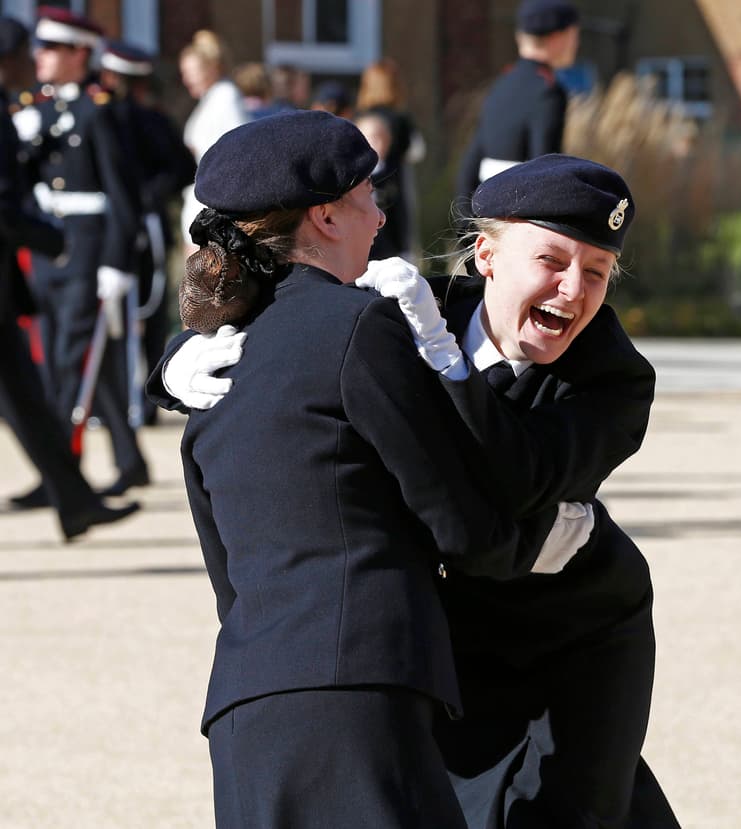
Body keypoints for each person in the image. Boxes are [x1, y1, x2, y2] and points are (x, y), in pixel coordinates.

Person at [157, 153, 679, 827]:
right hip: (443, 648)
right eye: (552, 260)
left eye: (597, 272)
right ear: (487, 254)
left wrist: (443, 358)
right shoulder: (398, 306)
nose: (573, 290)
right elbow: (294, 330)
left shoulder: (612, 377)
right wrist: (176, 360)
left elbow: (516, 475)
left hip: (571, 641)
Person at [0, 15, 138, 539]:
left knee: (63, 364)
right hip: (43, 252)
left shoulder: (97, 112)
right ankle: (67, 486)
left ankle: (69, 484)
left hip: (83, 248)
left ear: (81, 54)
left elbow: (120, 192)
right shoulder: (34, 110)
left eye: (56, 49)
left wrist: (116, 261)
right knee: (44, 364)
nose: (43, 58)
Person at [98, 39, 197, 426]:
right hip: (115, 225)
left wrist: (151, 194)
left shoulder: (150, 121)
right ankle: (127, 402)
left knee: (149, 312)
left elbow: (180, 168)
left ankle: (141, 402)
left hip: (144, 226)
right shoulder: (111, 116)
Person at [454, 0, 579, 210]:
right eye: (575, 36)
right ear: (558, 38)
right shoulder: (548, 92)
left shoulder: (501, 84)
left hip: (486, 213)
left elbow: (469, 167)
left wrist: (465, 227)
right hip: (518, 215)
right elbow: (546, 171)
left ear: (520, 37)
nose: (576, 44)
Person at [178, 29, 248, 252]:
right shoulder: (211, 99)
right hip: (202, 201)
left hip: (214, 207)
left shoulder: (225, 97)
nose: (186, 78)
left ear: (212, 67)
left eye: (192, 71)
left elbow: (238, 151)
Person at [356, 58, 426, 260]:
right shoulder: (400, 119)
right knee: (399, 232)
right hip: (396, 184)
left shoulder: (360, 116)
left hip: (365, 186)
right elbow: (417, 151)